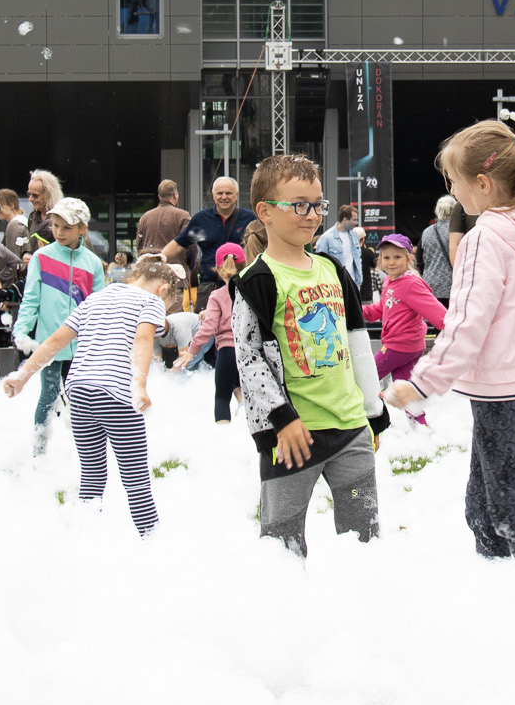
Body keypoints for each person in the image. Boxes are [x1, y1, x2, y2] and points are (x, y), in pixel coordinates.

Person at [387, 124, 515, 569]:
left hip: (501, 387)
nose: (451, 191)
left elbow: (467, 321)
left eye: (454, 181)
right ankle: (501, 583)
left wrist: (422, 383)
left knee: (503, 508)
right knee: (483, 506)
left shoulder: (484, 237)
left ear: (482, 184)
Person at [231, 154, 389, 556]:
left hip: (351, 429)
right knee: (282, 546)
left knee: (365, 539)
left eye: (318, 204)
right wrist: (281, 419)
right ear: (265, 212)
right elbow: (249, 359)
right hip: (293, 437)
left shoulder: (333, 269)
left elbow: (357, 343)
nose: (313, 214)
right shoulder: (256, 281)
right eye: (299, 205)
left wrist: (373, 413)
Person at [4, 255, 184, 533]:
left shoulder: (95, 299)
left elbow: (56, 340)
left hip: (79, 392)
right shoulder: (150, 302)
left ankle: (84, 539)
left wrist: (23, 375)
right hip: (116, 394)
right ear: (163, 289)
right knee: (136, 481)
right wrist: (139, 384)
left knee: (91, 476)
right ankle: (152, 542)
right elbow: (143, 338)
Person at [12, 198, 106, 454]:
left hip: (83, 345)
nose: (59, 232)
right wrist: (21, 330)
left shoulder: (93, 263)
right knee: (49, 394)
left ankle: (85, 452)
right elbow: (31, 299)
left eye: (67, 227)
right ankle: (39, 451)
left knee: (83, 399)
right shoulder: (41, 257)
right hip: (50, 343)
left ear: (82, 228)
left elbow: (99, 306)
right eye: (55, 226)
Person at [174, 243, 247, 425]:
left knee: (222, 398)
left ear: (218, 270)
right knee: (252, 397)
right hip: (250, 350)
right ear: (244, 265)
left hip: (227, 352)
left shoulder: (217, 295)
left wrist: (191, 351)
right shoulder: (253, 291)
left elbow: (208, 328)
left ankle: (222, 435)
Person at [360, 233, 445, 388]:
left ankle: (366, 405)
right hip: (408, 346)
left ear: (409, 259)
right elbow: (382, 308)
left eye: (397, 257)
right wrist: (359, 311)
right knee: (402, 389)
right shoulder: (389, 280)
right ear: (380, 260)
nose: (391, 262)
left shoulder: (410, 284)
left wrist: (459, 334)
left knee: (365, 380)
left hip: (398, 346)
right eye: (386, 258)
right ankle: (409, 405)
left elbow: (438, 313)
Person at [167, 176, 258, 317]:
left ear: (236, 195)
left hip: (242, 286)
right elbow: (179, 244)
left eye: (228, 193)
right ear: (213, 195)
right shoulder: (201, 219)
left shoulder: (250, 219)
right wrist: (157, 258)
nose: (224, 197)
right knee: (205, 327)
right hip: (210, 287)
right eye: (220, 193)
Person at [135, 180, 191, 283]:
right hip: (175, 276)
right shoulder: (183, 216)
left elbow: (139, 245)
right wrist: (188, 266)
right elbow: (191, 246)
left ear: (159, 196)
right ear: (175, 195)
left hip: (151, 277)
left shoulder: (145, 217)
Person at [420, 195, 459, 302]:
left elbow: (419, 259)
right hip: (453, 284)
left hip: (430, 285)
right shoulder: (458, 231)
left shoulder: (426, 232)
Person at [316, 203, 364, 287]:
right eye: (354, 220)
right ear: (345, 220)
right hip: (335, 284)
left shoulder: (355, 235)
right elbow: (320, 264)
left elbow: (358, 259)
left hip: (354, 283)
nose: (356, 223)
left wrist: (359, 281)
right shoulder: (326, 238)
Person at [25, 169, 64, 244]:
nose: (30, 199)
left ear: (48, 194)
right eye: (29, 194)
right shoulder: (33, 216)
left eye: (35, 195)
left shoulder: (62, 218)